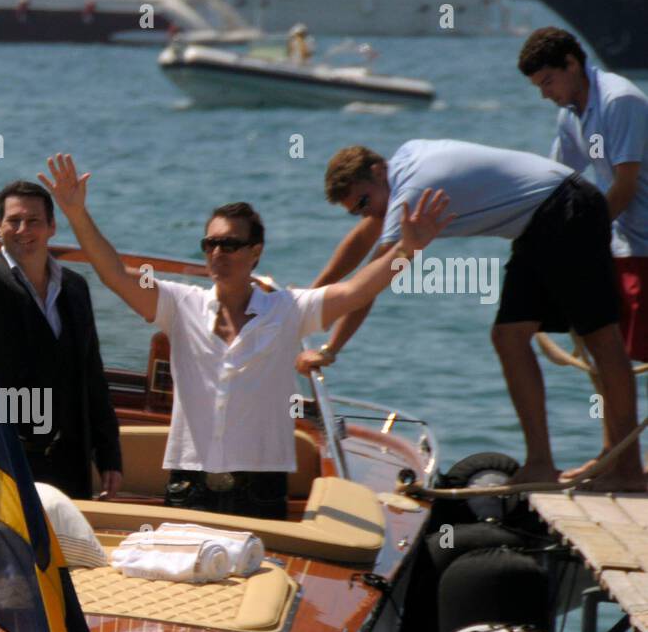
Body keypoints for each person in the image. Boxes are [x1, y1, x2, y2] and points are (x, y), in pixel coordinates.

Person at [41, 153, 450, 518]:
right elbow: (113, 273)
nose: (219, 253)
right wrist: (77, 213)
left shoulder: (288, 309)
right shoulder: (180, 305)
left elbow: (356, 291)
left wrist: (405, 251)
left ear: (255, 252)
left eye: (232, 244)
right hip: (189, 482)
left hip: (262, 486)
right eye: (211, 243)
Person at [300, 141, 643, 491]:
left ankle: (629, 469)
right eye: (356, 210)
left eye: (363, 202)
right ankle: (541, 464)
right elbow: (366, 236)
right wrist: (313, 293)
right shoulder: (401, 165)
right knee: (508, 337)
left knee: (600, 337)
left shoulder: (412, 191)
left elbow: (374, 279)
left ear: (376, 171)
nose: (366, 213)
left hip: (569, 208)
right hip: (540, 222)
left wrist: (331, 348)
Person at [0, 164, 122, 500]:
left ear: (51, 226)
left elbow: (91, 374)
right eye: (13, 221)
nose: (24, 229)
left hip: (65, 461)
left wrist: (108, 453)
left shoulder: (75, 288)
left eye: (33, 221)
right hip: (0, 457)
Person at [519, 27, 648, 363]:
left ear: (571, 63)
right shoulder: (571, 115)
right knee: (616, 354)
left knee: (634, 354)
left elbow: (625, 186)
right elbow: (557, 181)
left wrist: (579, 239)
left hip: (644, 246)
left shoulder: (619, 101)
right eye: (538, 86)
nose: (544, 94)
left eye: (548, 81)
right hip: (622, 246)